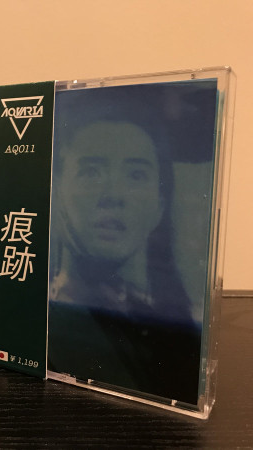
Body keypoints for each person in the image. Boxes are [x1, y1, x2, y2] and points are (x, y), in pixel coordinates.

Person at [47, 119, 202, 405]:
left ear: (159, 206)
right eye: (91, 172)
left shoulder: (175, 333)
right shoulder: (44, 323)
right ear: (56, 194)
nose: (113, 195)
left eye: (136, 175)